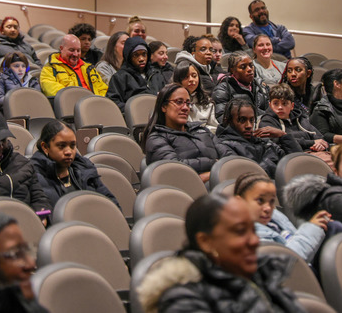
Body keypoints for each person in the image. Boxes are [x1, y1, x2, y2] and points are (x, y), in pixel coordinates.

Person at [137, 193, 306, 313]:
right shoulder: (181, 299)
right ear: (206, 242)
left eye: (253, 230)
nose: (255, 241)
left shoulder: (264, 275)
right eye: (240, 231)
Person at [234, 172, 328, 263]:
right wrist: (312, 228)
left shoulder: (275, 218)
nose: (268, 208)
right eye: (260, 200)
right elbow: (285, 262)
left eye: (271, 201)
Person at [30, 120, 119, 208]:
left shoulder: (84, 167)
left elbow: (111, 204)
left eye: (72, 146)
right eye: (61, 146)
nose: (68, 152)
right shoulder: (33, 175)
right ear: (45, 147)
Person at [143, 83, 221, 183]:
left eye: (188, 103)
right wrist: (214, 165)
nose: (185, 108)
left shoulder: (201, 130)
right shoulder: (156, 138)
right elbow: (176, 167)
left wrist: (221, 170)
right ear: (164, 106)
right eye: (179, 102)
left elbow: (226, 153)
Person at [213, 97, 283, 178]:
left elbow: (291, 165)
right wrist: (271, 159)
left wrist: (283, 136)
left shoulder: (261, 141)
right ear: (228, 121)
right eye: (242, 120)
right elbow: (247, 176)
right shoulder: (222, 145)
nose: (249, 126)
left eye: (251, 120)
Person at [106, 36, 163, 112]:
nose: (141, 59)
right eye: (136, 55)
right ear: (129, 57)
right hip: (133, 116)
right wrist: (134, 110)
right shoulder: (120, 77)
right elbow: (113, 102)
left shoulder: (156, 74)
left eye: (144, 54)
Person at [40, 34, 107, 97]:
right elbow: (52, 90)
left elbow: (103, 89)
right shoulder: (50, 68)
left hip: (94, 102)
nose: (75, 54)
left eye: (78, 50)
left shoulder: (89, 68)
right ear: (61, 48)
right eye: (71, 50)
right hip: (69, 103)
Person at [211, 51, 269, 122]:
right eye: (243, 67)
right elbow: (221, 117)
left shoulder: (260, 85)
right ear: (232, 70)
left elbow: (270, 111)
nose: (249, 69)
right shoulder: (223, 89)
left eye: (251, 65)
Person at [256, 84, 311, 155]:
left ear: (292, 106)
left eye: (284, 103)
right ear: (270, 105)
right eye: (276, 104)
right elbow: (278, 144)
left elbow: (318, 138)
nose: (280, 107)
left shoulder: (299, 118)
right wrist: (310, 141)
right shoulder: (266, 121)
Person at [172, 60, 218, 132]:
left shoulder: (207, 101)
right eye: (186, 77)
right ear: (178, 79)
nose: (191, 80)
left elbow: (213, 127)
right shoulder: (171, 101)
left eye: (194, 76)